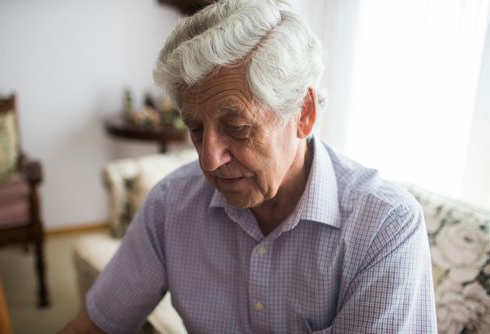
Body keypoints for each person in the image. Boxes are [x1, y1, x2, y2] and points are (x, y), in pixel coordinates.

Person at [61, 0, 437, 333]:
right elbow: (97, 324)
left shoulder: (385, 227)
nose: (209, 159)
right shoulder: (170, 205)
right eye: (195, 129)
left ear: (303, 114)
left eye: (237, 128)